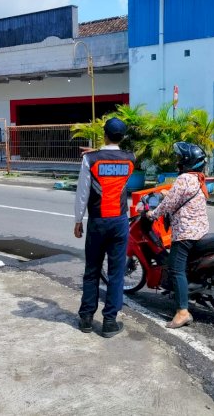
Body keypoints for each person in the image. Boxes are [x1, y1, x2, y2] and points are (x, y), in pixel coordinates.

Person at [74, 117, 135, 338]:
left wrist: (78, 220)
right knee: (116, 273)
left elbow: (83, 193)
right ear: (122, 137)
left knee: (92, 271)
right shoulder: (130, 159)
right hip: (120, 222)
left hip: (98, 221)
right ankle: (110, 321)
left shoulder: (90, 159)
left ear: (104, 134)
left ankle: (87, 318)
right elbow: (115, 158)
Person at [146, 142, 210, 329]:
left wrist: (152, 214)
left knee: (175, 268)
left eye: (179, 158)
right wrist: (169, 194)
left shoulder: (183, 179)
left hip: (186, 233)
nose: (177, 161)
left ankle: (182, 312)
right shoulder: (197, 178)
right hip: (200, 229)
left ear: (186, 161)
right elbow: (178, 198)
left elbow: (168, 206)